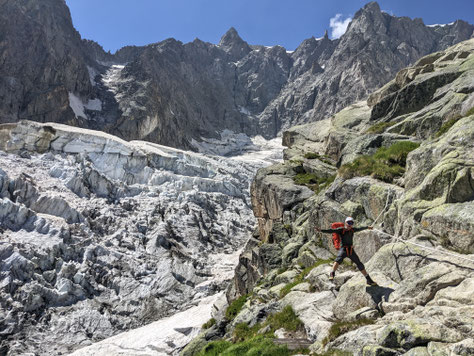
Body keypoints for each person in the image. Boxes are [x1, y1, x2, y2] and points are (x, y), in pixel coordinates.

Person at [316, 217, 377, 286]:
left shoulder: (353, 230)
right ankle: (332, 273)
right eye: (349, 222)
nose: (350, 224)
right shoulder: (341, 230)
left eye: (351, 223)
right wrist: (321, 230)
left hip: (351, 250)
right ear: (345, 223)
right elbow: (331, 230)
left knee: (359, 264)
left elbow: (360, 228)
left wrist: (368, 227)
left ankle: (368, 279)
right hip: (343, 249)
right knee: (338, 259)